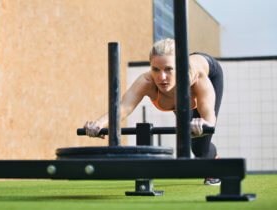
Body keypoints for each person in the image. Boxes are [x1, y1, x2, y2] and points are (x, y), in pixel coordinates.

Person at [84, 38, 223, 185]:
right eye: (156, 69)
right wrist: (99, 124)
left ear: (180, 67)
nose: (161, 77)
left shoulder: (198, 78)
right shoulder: (146, 82)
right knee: (193, 138)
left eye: (168, 69)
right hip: (180, 95)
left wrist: (204, 122)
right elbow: (123, 108)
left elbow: (209, 117)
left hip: (211, 72)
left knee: (199, 147)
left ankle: (214, 162)